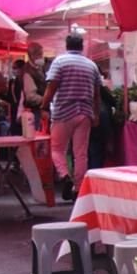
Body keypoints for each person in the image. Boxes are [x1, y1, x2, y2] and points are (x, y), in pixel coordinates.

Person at [41, 34, 101, 201]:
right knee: (80, 153)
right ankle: (79, 188)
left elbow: (51, 87)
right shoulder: (92, 65)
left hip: (63, 112)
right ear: (82, 46)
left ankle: (64, 175)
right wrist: (96, 114)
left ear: (67, 45)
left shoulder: (60, 62)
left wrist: (44, 106)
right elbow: (97, 94)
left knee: (56, 149)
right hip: (85, 112)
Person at [21, 42, 48, 131]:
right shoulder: (27, 72)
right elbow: (31, 97)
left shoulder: (41, 68)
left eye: (41, 54)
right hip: (34, 112)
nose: (41, 57)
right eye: (39, 54)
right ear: (32, 56)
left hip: (41, 109)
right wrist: (47, 99)